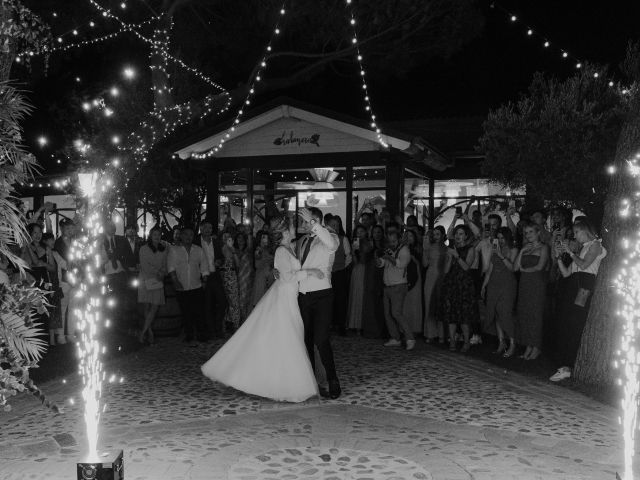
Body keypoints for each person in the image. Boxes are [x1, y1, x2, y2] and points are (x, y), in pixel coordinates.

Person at [201, 217, 321, 402]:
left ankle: (282, 380)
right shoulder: (282, 251)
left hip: (289, 297)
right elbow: (288, 277)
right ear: (284, 232)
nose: (294, 228)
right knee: (287, 337)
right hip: (283, 298)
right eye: (291, 226)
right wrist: (310, 272)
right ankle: (284, 384)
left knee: (286, 337)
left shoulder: (289, 248)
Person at [550, 219, 606, 381]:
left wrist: (570, 252)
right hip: (574, 283)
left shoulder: (595, 245)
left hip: (584, 284)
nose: (575, 236)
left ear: (585, 230)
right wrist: (559, 257)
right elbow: (567, 273)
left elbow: (583, 265)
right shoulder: (583, 248)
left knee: (575, 321)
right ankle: (565, 363)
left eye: (577, 232)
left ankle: (569, 365)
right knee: (567, 321)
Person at [296, 207, 341, 399]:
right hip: (303, 295)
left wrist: (314, 224)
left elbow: (330, 244)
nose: (304, 225)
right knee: (306, 339)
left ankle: (332, 379)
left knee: (321, 339)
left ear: (317, 221)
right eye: (304, 222)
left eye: (307, 221)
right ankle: (312, 382)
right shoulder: (303, 241)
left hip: (322, 294)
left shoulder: (331, 237)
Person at [481, 227, 519, 357]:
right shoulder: (494, 250)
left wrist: (501, 255)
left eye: (503, 238)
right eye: (499, 238)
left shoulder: (513, 250)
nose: (501, 240)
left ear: (507, 238)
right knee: (496, 312)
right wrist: (484, 286)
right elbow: (489, 270)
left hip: (507, 284)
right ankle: (501, 342)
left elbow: (512, 268)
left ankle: (513, 344)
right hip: (494, 284)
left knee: (505, 312)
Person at [167, 226, 209, 345]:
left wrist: (205, 280)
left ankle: (201, 334)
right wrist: (175, 281)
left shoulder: (198, 250)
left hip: (196, 285)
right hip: (182, 286)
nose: (188, 237)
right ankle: (189, 335)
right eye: (186, 234)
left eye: (191, 235)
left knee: (199, 311)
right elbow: (171, 267)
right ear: (181, 235)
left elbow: (204, 266)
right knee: (186, 312)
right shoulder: (174, 250)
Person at [440, 224, 478, 353]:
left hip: (464, 284)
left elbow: (467, 267)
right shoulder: (450, 249)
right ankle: (452, 341)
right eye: (456, 233)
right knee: (451, 314)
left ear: (466, 236)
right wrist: (450, 257)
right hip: (451, 283)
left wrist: (456, 255)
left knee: (464, 315)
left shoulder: (470, 249)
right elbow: (445, 270)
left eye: (461, 233)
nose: (458, 236)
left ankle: (467, 342)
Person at [515, 223, 550, 360]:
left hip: (536, 284)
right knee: (524, 313)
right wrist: (522, 252)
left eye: (530, 231)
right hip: (524, 283)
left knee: (535, 314)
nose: (528, 235)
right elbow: (516, 267)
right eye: (526, 232)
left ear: (538, 232)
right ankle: (528, 345)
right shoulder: (526, 247)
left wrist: (525, 270)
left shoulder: (544, 247)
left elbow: (540, 266)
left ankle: (536, 347)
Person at [22, 223, 59, 346]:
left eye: (39, 232)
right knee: (32, 313)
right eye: (34, 233)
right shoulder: (25, 248)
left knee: (44, 312)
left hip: (44, 282)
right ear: (29, 234)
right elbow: (28, 264)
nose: (38, 235)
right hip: (30, 282)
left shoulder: (46, 248)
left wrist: (44, 265)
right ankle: (32, 344)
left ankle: (43, 344)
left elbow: (53, 268)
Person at [378, 229, 414, 350]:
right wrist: (378, 260)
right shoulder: (390, 249)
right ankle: (395, 338)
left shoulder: (404, 250)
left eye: (393, 241)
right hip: (387, 286)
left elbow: (401, 264)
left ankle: (410, 338)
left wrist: (388, 257)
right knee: (387, 314)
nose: (391, 243)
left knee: (396, 313)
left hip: (399, 286)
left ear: (398, 239)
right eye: (389, 241)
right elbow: (382, 263)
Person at [195, 220, 227, 339]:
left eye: (210, 227)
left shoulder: (216, 241)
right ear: (201, 229)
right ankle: (211, 331)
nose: (209, 230)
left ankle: (218, 327)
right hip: (203, 276)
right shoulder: (196, 242)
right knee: (207, 305)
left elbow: (221, 257)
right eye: (206, 227)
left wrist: (220, 261)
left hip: (215, 275)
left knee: (222, 302)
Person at [137, 227, 168, 345]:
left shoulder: (163, 249)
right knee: (147, 307)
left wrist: (162, 273)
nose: (157, 237)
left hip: (158, 280)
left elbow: (165, 264)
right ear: (150, 236)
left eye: (159, 235)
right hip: (145, 279)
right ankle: (149, 331)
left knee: (154, 307)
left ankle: (143, 332)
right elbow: (145, 265)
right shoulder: (144, 249)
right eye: (155, 234)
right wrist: (158, 273)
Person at [101, 221, 130, 332]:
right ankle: (108, 324)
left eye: (113, 226)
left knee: (120, 300)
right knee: (107, 300)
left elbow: (128, 255)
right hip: (106, 274)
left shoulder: (122, 240)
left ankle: (119, 324)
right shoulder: (100, 240)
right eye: (109, 226)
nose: (112, 228)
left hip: (120, 273)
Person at [327, 215, 351, 335]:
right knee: (329, 300)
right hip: (328, 274)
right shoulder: (324, 239)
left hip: (340, 273)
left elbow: (349, 256)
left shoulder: (343, 239)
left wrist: (342, 267)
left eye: (336, 225)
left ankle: (341, 325)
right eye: (332, 225)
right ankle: (330, 324)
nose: (334, 227)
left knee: (341, 300)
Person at [423, 226, 447, 343]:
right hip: (430, 277)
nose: (436, 236)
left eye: (438, 234)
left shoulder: (447, 248)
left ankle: (442, 334)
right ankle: (430, 334)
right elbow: (424, 264)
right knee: (429, 304)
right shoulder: (429, 248)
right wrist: (425, 250)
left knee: (440, 305)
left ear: (443, 235)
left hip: (442, 277)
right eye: (434, 234)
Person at [347, 225, 370, 333]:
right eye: (357, 232)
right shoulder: (355, 243)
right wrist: (353, 250)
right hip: (357, 270)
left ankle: (362, 324)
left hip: (367, 269)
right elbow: (356, 262)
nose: (359, 234)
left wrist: (361, 250)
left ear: (365, 232)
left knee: (362, 295)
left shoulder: (369, 243)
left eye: (362, 231)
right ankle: (355, 324)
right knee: (356, 294)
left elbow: (365, 260)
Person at [402, 228, 423, 335]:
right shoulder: (401, 248)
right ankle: (404, 328)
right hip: (404, 275)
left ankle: (415, 328)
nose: (408, 238)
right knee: (405, 303)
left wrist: (414, 259)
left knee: (414, 302)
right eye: (406, 236)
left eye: (411, 236)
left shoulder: (418, 248)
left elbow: (422, 263)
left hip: (416, 275)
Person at [221, 231, 241, 330]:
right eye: (225, 238)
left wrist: (232, 249)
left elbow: (238, 264)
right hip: (222, 276)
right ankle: (226, 323)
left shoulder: (233, 250)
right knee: (226, 301)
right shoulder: (220, 249)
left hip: (231, 276)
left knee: (234, 301)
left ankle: (235, 325)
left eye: (230, 238)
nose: (228, 239)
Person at [251, 230, 275, 309]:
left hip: (271, 278)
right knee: (259, 303)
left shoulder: (273, 250)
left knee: (270, 303)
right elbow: (257, 265)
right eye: (262, 238)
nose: (264, 240)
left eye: (266, 238)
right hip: (261, 279)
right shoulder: (258, 250)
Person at [234, 231, 254, 323]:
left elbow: (250, 244)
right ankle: (241, 320)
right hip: (238, 276)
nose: (240, 240)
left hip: (249, 277)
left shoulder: (248, 250)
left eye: (242, 238)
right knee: (240, 298)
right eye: (238, 238)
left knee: (248, 298)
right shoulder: (234, 250)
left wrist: (249, 232)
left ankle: (247, 319)